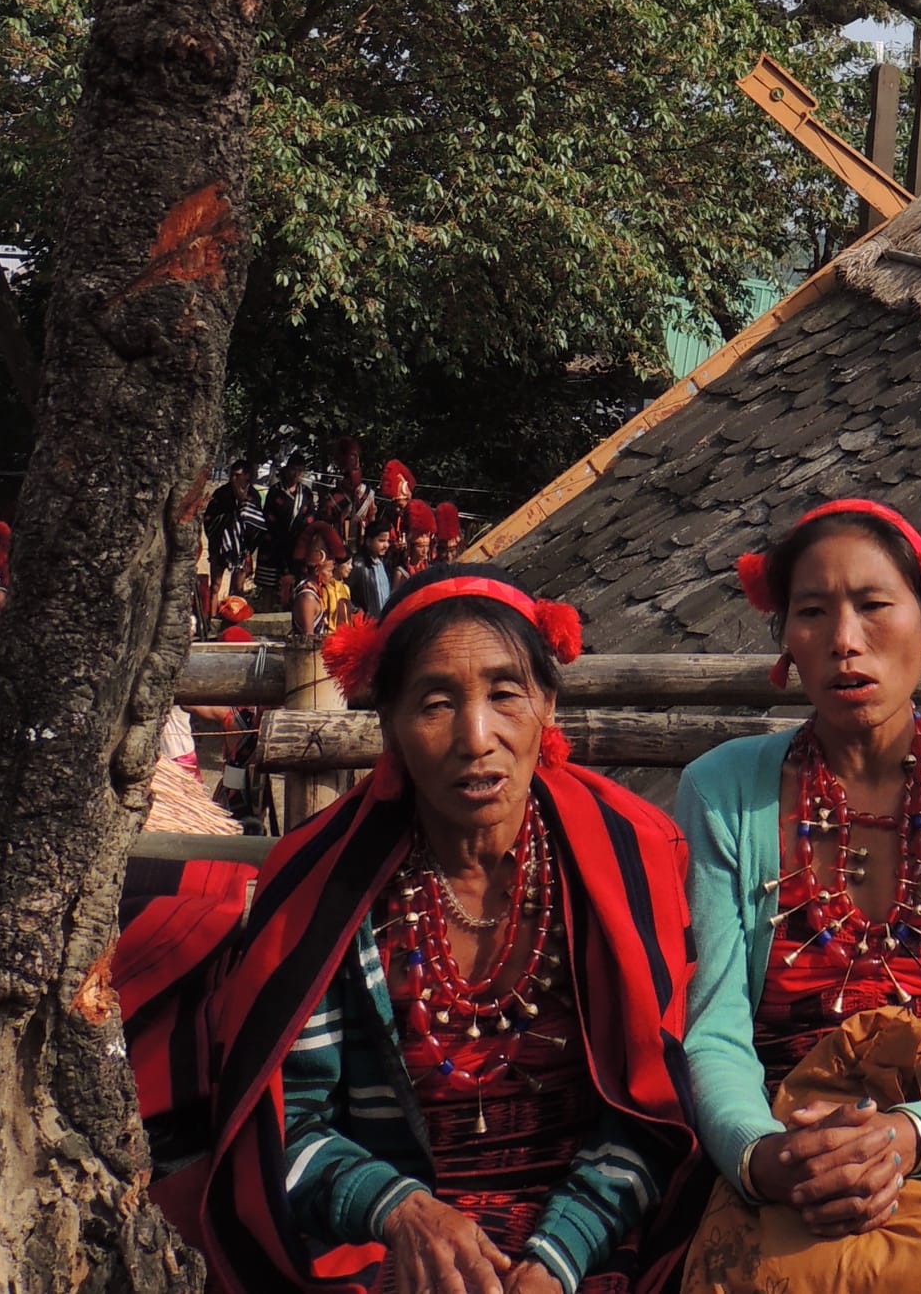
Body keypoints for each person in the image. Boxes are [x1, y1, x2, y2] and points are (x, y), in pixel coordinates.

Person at [190, 560, 702, 1291]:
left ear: (548, 704)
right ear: (390, 724)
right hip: (386, 1245)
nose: (476, 736)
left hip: (597, 1237)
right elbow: (285, 1124)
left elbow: (655, 1111)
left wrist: (555, 1260)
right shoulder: (325, 888)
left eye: (505, 694)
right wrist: (401, 1211)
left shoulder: (627, 857)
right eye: (435, 703)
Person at [674, 496, 921, 1292]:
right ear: (786, 638)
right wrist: (765, 1155)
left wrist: (908, 1137)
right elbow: (715, 1029)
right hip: (778, 1135)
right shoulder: (722, 791)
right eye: (812, 611)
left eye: (873, 604)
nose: (844, 638)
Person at [204, 463, 267, 616]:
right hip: (220, 544)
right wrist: (226, 526)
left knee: (238, 588)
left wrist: (243, 502)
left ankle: (233, 618)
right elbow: (209, 519)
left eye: (238, 475)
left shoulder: (253, 495)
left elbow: (256, 524)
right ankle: (212, 618)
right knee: (215, 586)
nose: (233, 478)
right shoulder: (221, 493)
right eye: (232, 474)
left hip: (244, 547)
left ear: (247, 476)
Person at [262, 454, 314, 595]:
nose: (296, 474)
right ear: (287, 469)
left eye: (300, 470)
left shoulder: (306, 493)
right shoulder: (275, 490)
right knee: (270, 588)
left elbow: (311, 516)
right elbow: (268, 515)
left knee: (295, 585)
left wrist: (301, 533)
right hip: (275, 543)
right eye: (293, 469)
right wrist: (280, 534)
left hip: (297, 544)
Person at [290, 524, 349, 642]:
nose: (331, 575)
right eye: (329, 571)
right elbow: (308, 641)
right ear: (317, 569)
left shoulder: (317, 592)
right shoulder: (307, 597)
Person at [350, 514, 397, 622]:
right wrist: (360, 615)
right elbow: (344, 594)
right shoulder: (358, 565)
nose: (386, 545)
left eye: (388, 541)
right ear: (369, 541)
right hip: (367, 625)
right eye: (381, 541)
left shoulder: (385, 563)